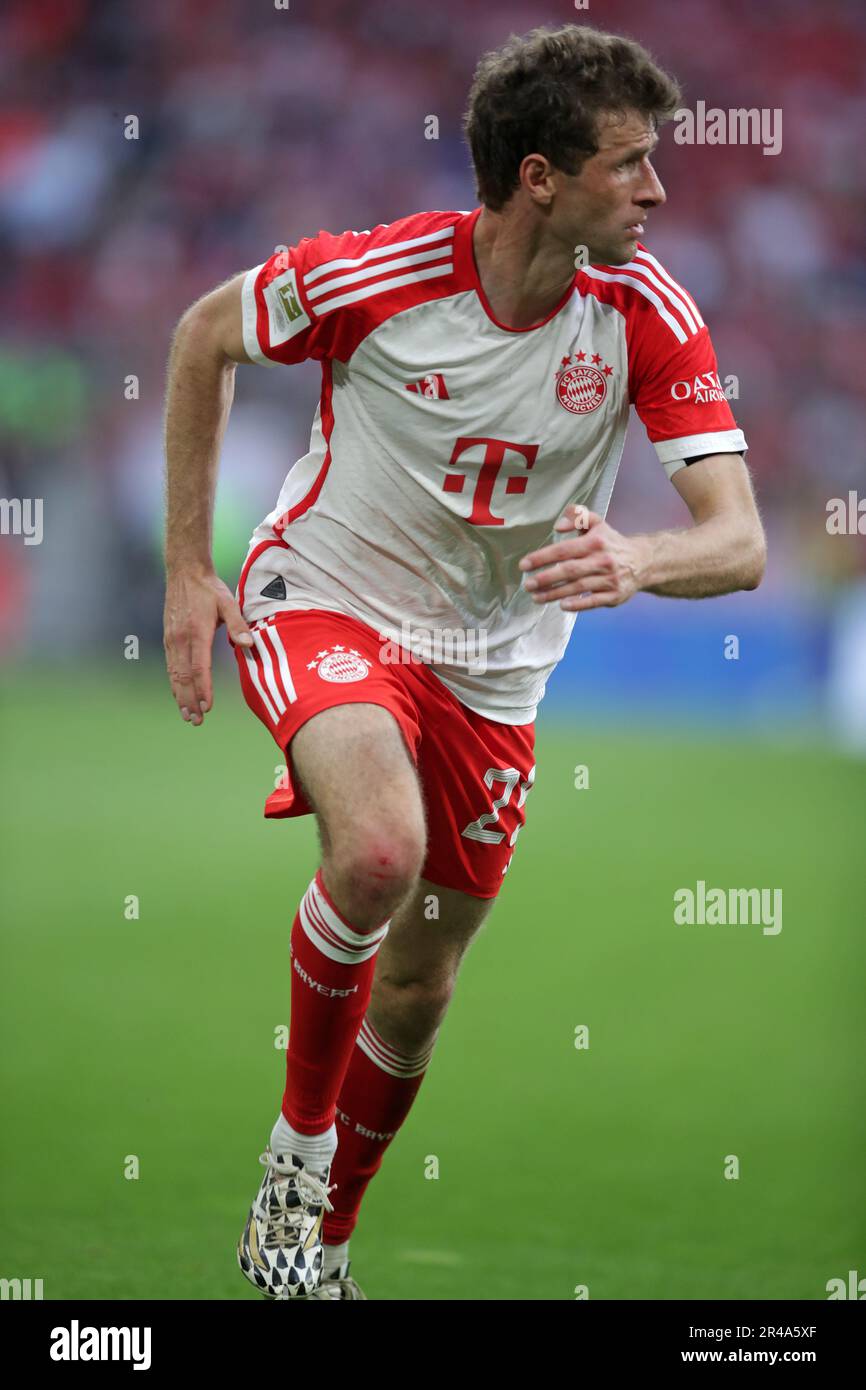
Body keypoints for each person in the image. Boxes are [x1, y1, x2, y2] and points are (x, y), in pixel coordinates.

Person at [162, 23, 766, 1300]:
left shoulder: (644, 312)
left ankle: (313, 1249)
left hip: (493, 668)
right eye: (630, 164)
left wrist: (640, 562)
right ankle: (294, 1154)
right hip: (324, 594)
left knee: (424, 983)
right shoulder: (376, 275)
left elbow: (740, 541)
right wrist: (182, 570)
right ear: (540, 175)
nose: (658, 190)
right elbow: (200, 338)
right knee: (377, 849)